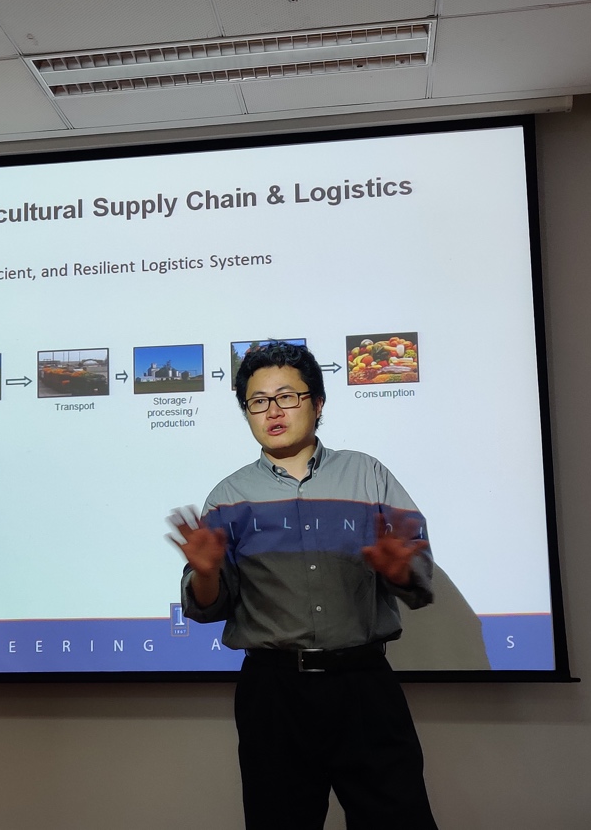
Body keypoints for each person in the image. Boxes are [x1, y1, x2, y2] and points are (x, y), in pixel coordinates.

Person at [168, 341, 438, 830]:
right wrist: (206, 573)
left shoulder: (368, 475)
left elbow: (420, 582)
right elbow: (207, 607)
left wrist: (400, 571)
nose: (272, 411)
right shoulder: (228, 497)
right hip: (274, 694)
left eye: (287, 397)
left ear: (317, 403)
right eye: (257, 401)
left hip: (363, 686)